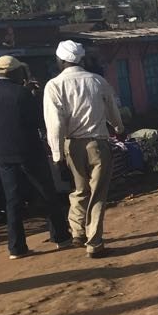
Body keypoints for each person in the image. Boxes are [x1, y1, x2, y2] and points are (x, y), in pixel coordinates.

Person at [0, 56, 72, 259]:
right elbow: (39, 121)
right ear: (14, 72)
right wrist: (34, 94)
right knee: (47, 193)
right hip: (29, 152)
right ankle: (61, 236)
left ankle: (16, 247)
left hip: (3, 155)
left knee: (12, 201)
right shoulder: (22, 94)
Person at [43, 40, 123, 258]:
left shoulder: (54, 85)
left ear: (60, 61)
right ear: (80, 59)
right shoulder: (97, 81)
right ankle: (94, 242)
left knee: (79, 190)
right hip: (99, 144)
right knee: (97, 194)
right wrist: (119, 127)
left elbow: (55, 123)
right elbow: (112, 110)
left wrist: (57, 154)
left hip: (72, 145)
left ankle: (78, 231)